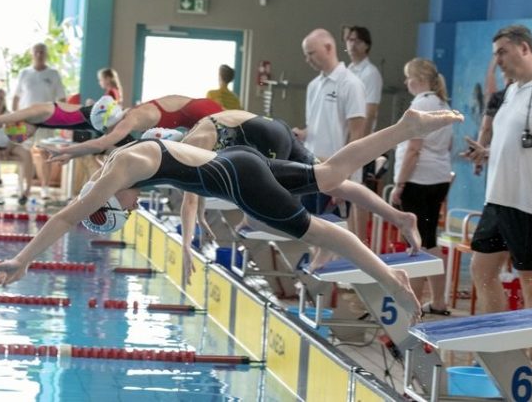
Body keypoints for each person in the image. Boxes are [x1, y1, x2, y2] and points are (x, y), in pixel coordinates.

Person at [0, 108, 465, 324]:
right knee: (330, 172)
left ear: (111, 201)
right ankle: (404, 127)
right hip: (241, 163)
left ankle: (390, 279)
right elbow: (80, 205)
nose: (130, 212)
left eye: (119, 214)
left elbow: (67, 217)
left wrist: (24, 260)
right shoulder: (126, 165)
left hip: (241, 181)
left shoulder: (123, 169)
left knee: (326, 232)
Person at [177, 110, 422, 255]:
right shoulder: (194, 133)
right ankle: (401, 217)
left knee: (255, 216)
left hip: (268, 143)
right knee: (330, 179)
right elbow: (196, 188)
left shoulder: (191, 146)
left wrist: (186, 246)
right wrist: (200, 217)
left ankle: (326, 238)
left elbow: (189, 198)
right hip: (277, 132)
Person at [463, 25, 532, 370]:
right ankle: (503, 351)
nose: (496, 61)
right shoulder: (512, 93)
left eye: (501, 52)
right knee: (481, 270)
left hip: (531, 205)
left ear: (524, 48)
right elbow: (512, 141)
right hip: (497, 200)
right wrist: (487, 153)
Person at [389, 58, 454, 315]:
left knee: (416, 243)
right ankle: (438, 301)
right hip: (438, 179)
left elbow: (414, 149)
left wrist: (400, 183)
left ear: (418, 79)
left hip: (418, 180)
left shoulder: (421, 104)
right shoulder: (442, 103)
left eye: (408, 77)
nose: (406, 83)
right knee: (429, 240)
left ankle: (412, 305)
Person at [292, 28, 366, 216]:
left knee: (332, 233)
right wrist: (302, 133)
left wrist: (344, 178)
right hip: (312, 169)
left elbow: (357, 135)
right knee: (310, 231)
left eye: (311, 54)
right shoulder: (314, 85)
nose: (308, 60)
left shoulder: (351, 84)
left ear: (328, 48)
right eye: (305, 55)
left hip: (335, 174)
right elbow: (316, 126)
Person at [45, 94, 223, 164]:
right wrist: (72, 154)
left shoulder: (130, 119)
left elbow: (101, 144)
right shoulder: (130, 114)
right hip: (199, 111)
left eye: (107, 129)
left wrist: (65, 150)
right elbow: (106, 143)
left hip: (201, 113)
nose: (110, 133)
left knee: (236, 151)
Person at [344, 25, 384, 243]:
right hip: (346, 140)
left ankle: (362, 244)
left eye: (357, 40)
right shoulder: (348, 70)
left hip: (362, 143)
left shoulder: (371, 74)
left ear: (366, 45)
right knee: (346, 195)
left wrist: (358, 145)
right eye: (349, 39)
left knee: (359, 197)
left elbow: (370, 112)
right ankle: (351, 244)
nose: (352, 44)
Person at [12, 43, 67, 200]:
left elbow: (62, 99)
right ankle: (21, 186)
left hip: (46, 121)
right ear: (32, 54)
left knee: (45, 154)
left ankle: (45, 188)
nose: (39, 54)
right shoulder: (24, 73)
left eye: (42, 52)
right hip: (25, 121)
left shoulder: (53, 74)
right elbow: (16, 97)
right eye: (36, 51)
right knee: (23, 153)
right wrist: (15, 118)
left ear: (46, 54)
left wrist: (61, 119)